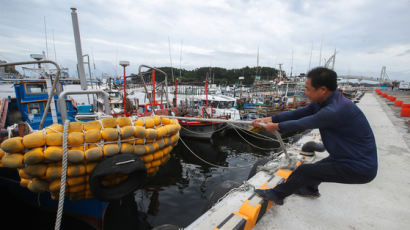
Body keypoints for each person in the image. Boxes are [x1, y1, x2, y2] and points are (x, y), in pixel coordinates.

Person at [252, 67, 377, 205]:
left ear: (322, 90)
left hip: (359, 167)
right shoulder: (324, 101)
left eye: (307, 89)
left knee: (305, 171)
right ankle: (310, 189)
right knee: (318, 168)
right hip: (347, 156)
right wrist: (269, 119)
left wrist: (275, 126)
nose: (304, 92)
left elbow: (302, 123)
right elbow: (296, 114)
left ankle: (277, 195)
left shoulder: (335, 110)